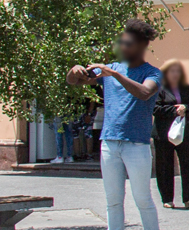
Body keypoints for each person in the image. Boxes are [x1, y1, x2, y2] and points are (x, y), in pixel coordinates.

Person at [66, 19, 163, 230]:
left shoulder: (152, 73)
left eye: (128, 43)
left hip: (136, 145)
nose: (122, 47)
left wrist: (115, 75)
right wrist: (75, 71)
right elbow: (75, 81)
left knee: (143, 199)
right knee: (113, 201)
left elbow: (145, 92)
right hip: (109, 143)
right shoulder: (109, 69)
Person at [153, 59, 189, 209]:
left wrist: (186, 108)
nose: (175, 74)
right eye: (172, 71)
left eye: (178, 71)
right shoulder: (158, 89)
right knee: (165, 165)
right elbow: (155, 109)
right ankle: (167, 199)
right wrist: (174, 110)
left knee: (186, 164)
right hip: (164, 133)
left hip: (184, 132)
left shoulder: (187, 88)